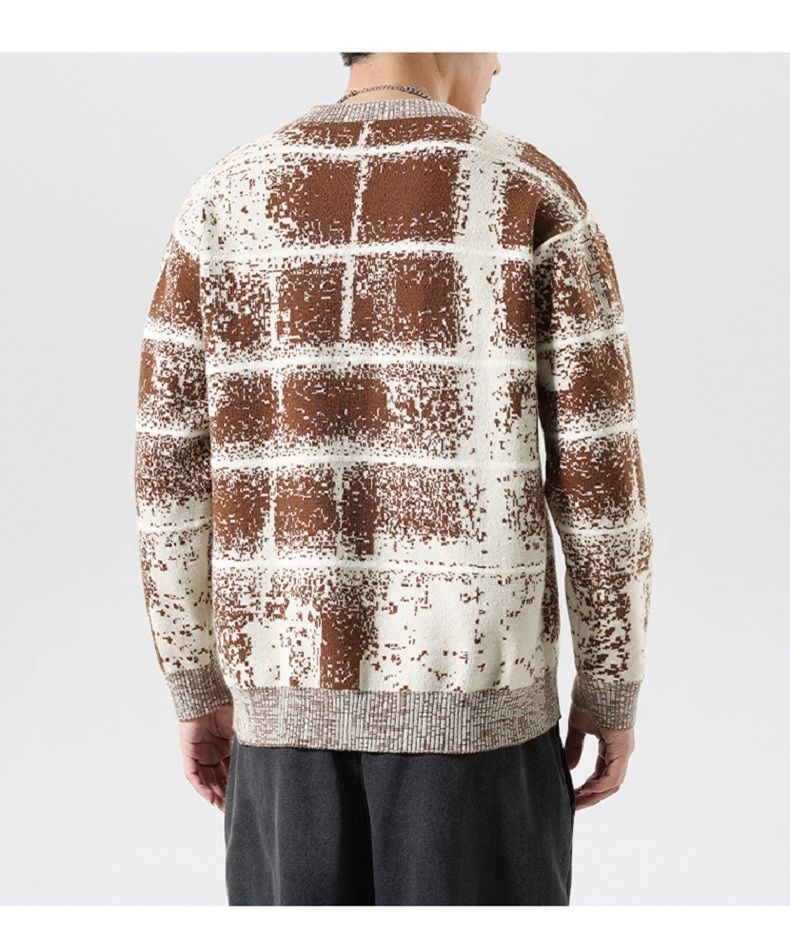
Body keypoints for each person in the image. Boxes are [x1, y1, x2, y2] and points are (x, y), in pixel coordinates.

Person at [134, 52, 653, 906]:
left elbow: (168, 474)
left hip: (282, 733)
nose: (499, 62)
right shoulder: (525, 189)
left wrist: (194, 681)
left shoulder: (225, 198)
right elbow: (600, 480)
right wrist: (609, 680)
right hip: (481, 730)